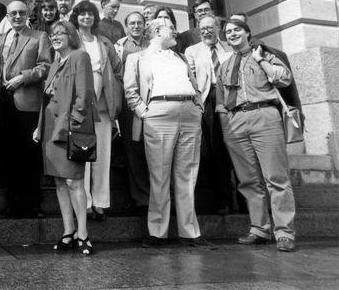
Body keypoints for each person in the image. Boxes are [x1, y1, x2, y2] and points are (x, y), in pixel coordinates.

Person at [124, 17, 216, 249]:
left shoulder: (181, 56)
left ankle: (190, 233)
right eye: (170, 29)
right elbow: (130, 90)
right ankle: (157, 232)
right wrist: (144, 113)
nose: (176, 32)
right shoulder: (136, 58)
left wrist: (198, 106)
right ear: (155, 32)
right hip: (158, 114)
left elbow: (194, 84)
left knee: (187, 175)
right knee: (159, 175)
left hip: (189, 114)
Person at [216, 19, 296, 252]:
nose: (232, 34)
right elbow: (221, 101)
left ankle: (284, 233)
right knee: (249, 180)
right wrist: (226, 125)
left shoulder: (264, 54)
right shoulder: (225, 64)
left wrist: (261, 59)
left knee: (276, 178)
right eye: (228, 32)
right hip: (235, 121)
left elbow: (284, 78)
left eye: (236, 30)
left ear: (247, 33)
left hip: (264, 116)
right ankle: (259, 228)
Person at [35, 20, 96, 256]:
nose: (55, 37)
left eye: (61, 33)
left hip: (68, 127)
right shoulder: (54, 63)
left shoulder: (80, 57)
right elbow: (48, 97)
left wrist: (73, 124)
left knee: (74, 181)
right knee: (59, 181)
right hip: (50, 127)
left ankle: (83, 234)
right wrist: (39, 126)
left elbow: (84, 95)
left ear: (71, 35)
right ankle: (68, 231)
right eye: (52, 34)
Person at [0, 0, 52, 218]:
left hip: (27, 102)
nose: (17, 16)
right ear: (7, 17)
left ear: (27, 15)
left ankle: (33, 204)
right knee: (9, 155)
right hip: (4, 102)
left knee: (30, 154)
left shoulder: (39, 37)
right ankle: (12, 203)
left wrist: (23, 78)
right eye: (13, 14)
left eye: (21, 13)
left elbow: (46, 67)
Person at [70, 1, 122, 221]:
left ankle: (101, 201)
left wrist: (112, 95)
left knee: (102, 156)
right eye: (82, 14)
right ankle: (86, 203)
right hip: (80, 107)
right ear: (77, 17)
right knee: (83, 155)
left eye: (90, 14)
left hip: (102, 106)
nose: (86, 18)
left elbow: (117, 70)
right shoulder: (72, 40)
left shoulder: (104, 42)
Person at [185, 14, 235, 215]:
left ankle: (240, 200)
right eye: (202, 27)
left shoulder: (229, 49)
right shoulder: (192, 51)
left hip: (231, 100)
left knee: (233, 148)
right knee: (214, 150)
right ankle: (221, 200)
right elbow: (192, 79)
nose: (206, 31)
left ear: (218, 27)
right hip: (207, 99)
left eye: (210, 27)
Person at [114, 11, 150, 214]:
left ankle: (158, 195)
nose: (136, 26)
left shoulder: (153, 45)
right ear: (126, 27)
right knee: (133, 151)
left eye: (139, 23)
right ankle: (141, 198)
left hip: (153, 103)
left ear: (144, 25)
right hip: (129, 105)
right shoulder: (119, 46)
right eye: (132, 23)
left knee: (153, 151)